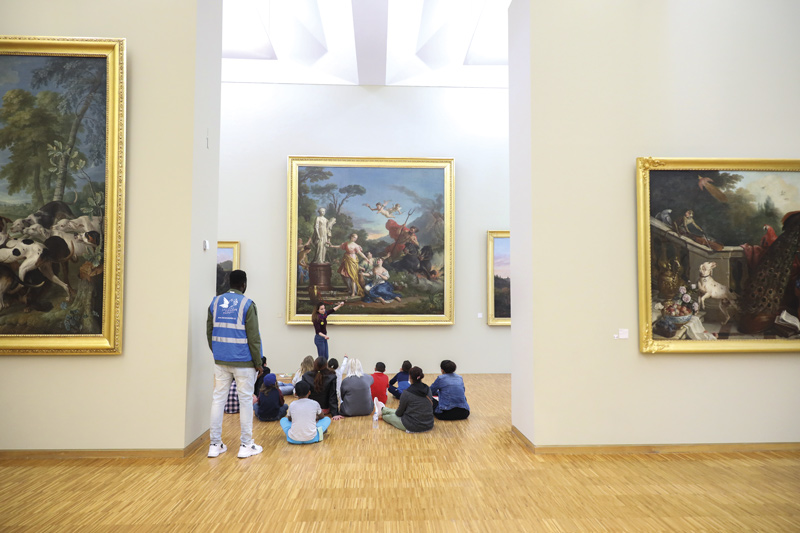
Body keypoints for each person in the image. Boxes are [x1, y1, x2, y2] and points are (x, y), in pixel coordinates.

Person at [207, 269, 264, 459]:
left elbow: (209, 332)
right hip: (244, 361)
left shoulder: (215, 302)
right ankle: (246, 445)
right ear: (244, 284)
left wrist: (217, 351)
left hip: (221, 360)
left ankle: (214, 445)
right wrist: (258, 362)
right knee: (246, 401)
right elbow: (254, 337)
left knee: (218, 400)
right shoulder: (247, 304)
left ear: (228, 283)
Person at [374, 366, 434, 433]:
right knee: (396, 412)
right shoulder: (428, 389)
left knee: (386, 417)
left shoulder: (406, 393)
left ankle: (382, 411)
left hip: (412, 425)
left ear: (410, 377)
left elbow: (399, 413)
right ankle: (383, 409)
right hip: (429, 424)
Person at [302, 356, 343, 421]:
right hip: (325, 409)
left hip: (310, 409)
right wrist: (335, 414)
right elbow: (332, 396)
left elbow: (303, 394)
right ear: (326, 365)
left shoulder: (306, 376)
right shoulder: (332, 376)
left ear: (314, 364)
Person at [337, 233, 369, 298]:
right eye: (354, 237)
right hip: (346, 260)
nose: (355, 239)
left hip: (353, 261)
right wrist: (331, 246)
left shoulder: (356, 245)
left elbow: (360, 253)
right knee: (344, 274)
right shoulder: (346, 243)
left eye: (356, 238)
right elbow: (340, 247)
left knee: (353, 277)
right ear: (351, 237)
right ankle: (349, 288)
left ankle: (354, 292)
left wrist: (366, 258)